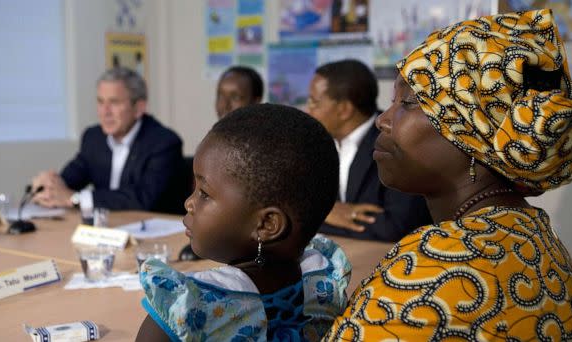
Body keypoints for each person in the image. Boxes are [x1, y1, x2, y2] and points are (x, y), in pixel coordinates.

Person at [324, 9, 572, 340]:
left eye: (408, 102)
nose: (383, 119)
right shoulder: (534, 233)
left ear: (471, 134)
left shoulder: (431, 269)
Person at [136, 104, 351, 341]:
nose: (189, 202)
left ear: (267, 225)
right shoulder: (324, 282)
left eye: (204, 193)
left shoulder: (185, 311)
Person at [306, 59, 432, 242]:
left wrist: (315, 216)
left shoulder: (397, 144)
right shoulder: (317, 146)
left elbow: (395, 227)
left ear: (344, 109)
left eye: (314, 102)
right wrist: (324, 213)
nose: (307, 110)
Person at [32, 67, 185, 214]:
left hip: (155, 233)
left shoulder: (164, 142)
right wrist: (47, 187)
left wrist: (75, 199)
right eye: (100, 101)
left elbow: (142, 199)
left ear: (139, 108)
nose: (105, 112)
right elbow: (68, 181)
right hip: (107, 228)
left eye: (114, 102)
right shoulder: (93, 137)